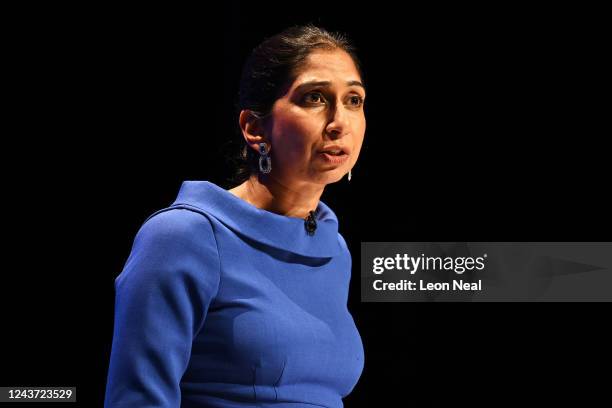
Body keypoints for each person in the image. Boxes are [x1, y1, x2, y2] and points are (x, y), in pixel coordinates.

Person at [104, 24, 366, 408]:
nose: (339, 122)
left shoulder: (334, 248)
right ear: (255, 128)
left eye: (354, 100)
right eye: (314, 97)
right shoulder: (184, 236)